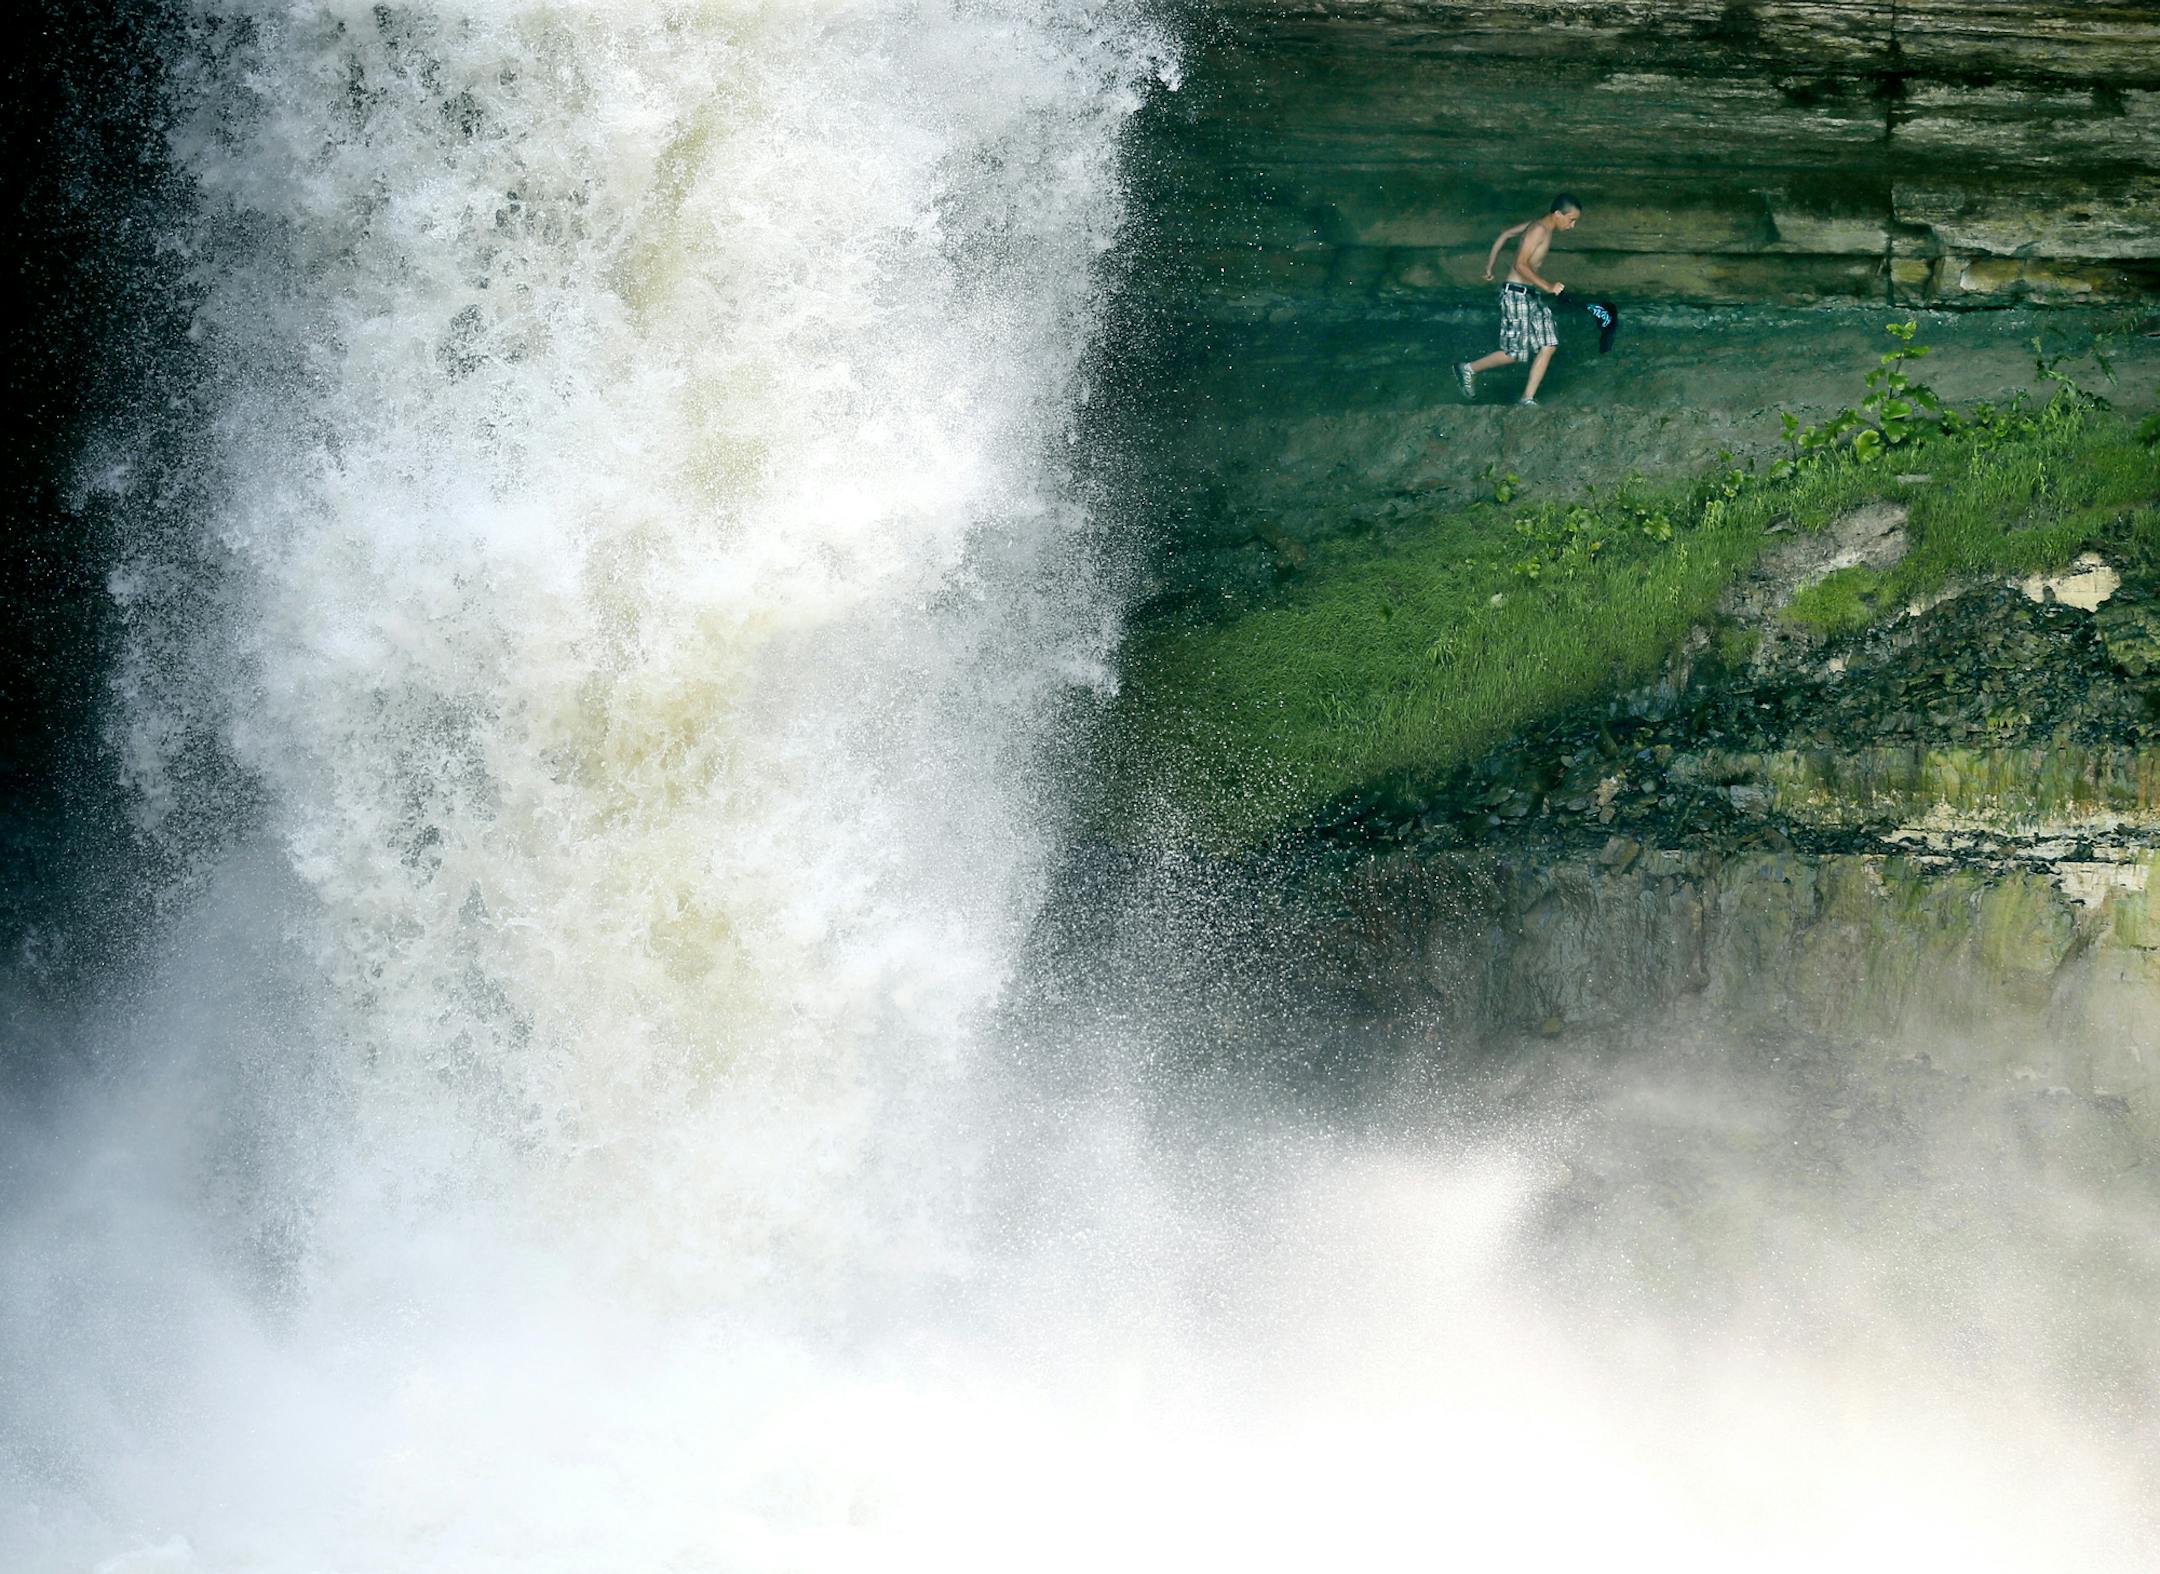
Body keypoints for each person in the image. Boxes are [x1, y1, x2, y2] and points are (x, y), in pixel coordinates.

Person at [1457, 195, 1583, 408]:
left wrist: (1490, 266)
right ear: (1558, 214)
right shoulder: (1538, 230)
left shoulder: (1538, 225)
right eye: (1571, 219)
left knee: (1549, 344)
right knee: (1514, 353)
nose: (1572, 226)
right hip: (1516, 294)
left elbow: (1505, 234)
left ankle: (1527, 399)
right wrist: (1549, 286)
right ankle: (1467, 368)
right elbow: (1519, 264)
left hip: (1529, 295)